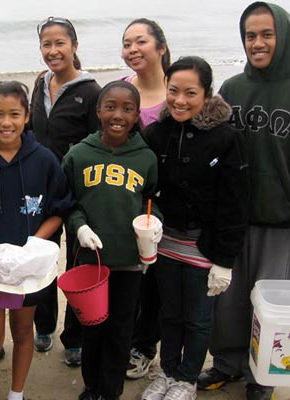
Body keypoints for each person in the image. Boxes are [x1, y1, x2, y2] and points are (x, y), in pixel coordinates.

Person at [197, 3, 290, 400]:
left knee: (272, 309)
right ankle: (226, 364)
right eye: (250, 35)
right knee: (228, 302)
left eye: (266, 34)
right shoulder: (233, 88)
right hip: (233, 220)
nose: (257, 43)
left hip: (280, 221)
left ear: (285, 36)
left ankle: (262, 377)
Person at [0, 81, 74, 400]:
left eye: (14, 114)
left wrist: (34, 243)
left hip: (27, 269)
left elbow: (58, 209)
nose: (7, 122)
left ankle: (16, 394)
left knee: (23, 333)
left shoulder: (44, 160)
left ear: (28, 116)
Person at [140, 56, 249, 400]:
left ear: (207, 94)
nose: (180, 100)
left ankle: (186, 379)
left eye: (191, 93)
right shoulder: (156, 133)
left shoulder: (226, 137)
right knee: (169, 313)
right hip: (166, 241)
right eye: (173, 91)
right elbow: (146, 188)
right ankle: (168, 371)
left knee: (198, 318)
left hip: (205, 244)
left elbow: (236, 201)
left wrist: (225, 260)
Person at [62, 80, 161, 400]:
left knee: (121, 331)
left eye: (127, 109)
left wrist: (154, 221)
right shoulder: (78, 155)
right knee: (93, 330)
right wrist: (78, 227)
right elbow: (67, 202)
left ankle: (111, 392)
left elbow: (151, 198)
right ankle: (92, 388)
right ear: (98, 111)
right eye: (111, 107)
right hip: (93, 261)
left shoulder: (145, 158)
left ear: (136, 116)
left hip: (131, 261)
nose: (118, 115)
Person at [30, 16, 101, 365]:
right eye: (47, 44)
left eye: (60, 43)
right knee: (41, 258)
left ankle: (73, 336)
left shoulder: (91, 92)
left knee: (75, 262)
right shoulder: (39, 83)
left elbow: (98, 144)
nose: (53, 51)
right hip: (38, 194)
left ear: (74, 46)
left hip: (75, 195)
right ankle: (43, 326)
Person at [119, 17, 170, 381]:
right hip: (128, 199)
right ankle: (131, 341)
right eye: (126, 43)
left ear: (161, 47)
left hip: (169, 201)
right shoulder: (121, 89)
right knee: (131, 276)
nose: (133, 49)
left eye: (141, 42)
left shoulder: (179, 91)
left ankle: (147, 347)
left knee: (158, 279)